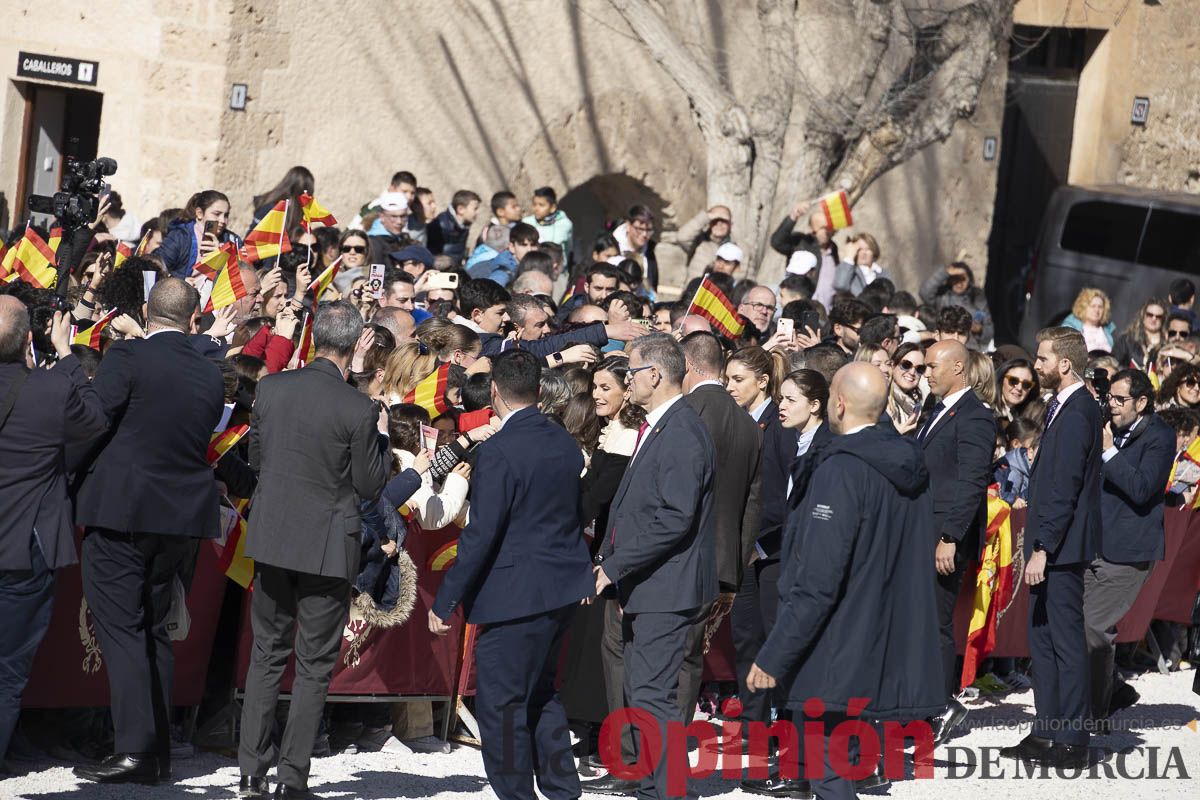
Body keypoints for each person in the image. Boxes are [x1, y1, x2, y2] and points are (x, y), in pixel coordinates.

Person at [747, 363, 942, 800]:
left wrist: (775, 653)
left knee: (831, 777)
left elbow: (818, 577)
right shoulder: (907, 462)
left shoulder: (841, 470)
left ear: (838, 402)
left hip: (835, 643)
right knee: (837, 768)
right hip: (877, 638)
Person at [71, 279, 225, 785]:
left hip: (124, 510)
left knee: (122, 629)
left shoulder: (128, 357)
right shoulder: (208, 372)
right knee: (154, 630)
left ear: (144, 311)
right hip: (177, 519)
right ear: (194, 319)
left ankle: (134, 749)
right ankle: (155, 751)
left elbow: (92, 418)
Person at [238, 302, 391, 799]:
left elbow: (257, 457)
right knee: (313, 665)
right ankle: (291, 777)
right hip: (326, 543)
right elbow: (370, 484)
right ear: (353, 348)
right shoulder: (358, 406)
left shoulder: (272, 387)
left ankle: (251, 769)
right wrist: (382, 441)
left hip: (276, 534)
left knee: (266, 654)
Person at [429, 350, 593, 800]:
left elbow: (481, 535)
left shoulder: (499, 450)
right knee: (542, 693)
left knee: (502, 705)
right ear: (539, 391)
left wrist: (445, 601)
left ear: (495, 392)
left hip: (516, 594)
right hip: (560, 587)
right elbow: (574, 514)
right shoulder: (563, 441)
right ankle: (562, 789)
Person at [592, 334, 716, 800]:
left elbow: (675, 517)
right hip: (651, 583)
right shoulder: (662, 425)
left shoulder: (682, 429)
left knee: (652, 693)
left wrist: (616, 565)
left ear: (655, 375)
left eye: (631, 372)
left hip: (670, 585)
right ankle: (652, 781)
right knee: (643, 690)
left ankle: (669, 789)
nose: (627, 381)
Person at [0, 300, 106, 767]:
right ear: (29, 341)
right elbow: (95, 421)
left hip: (26, 544)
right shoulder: (50, 387)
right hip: (25, 547)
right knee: (7, 669)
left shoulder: (43, 388)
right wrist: (65, 354)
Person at [999, 327, 1101, 770]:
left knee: (1064, 642)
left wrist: (1043, 547)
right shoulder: (1062, 406)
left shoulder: (1079, 410)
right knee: (1041, 640)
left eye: (1042, 359)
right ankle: (1046, 730)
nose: (1035, 366)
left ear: (1064, 364)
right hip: (1053, 544)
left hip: (1060, 548)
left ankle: (1074, 740)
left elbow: (1064, 486)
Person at [738, 368, 831, 799]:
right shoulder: (791, 440)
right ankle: (775, 763)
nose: (782, 405)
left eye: (791, 399)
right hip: (777, 561)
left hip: (800, 567)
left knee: (794, 663)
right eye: (782, 398)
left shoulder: (827, 447)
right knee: (768, 661)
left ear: (815, 404)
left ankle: (803, 769)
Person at [1084, 369, 1175, 727]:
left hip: (1129, 551)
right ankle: (1114, 691)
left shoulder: (1160, 436)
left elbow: (1141, 488)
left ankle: (1094, 713)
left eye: (1121, 400)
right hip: (1091, 544)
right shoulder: (1108, 427)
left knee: (1094, 629)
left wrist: (1108, 453)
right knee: (1076, 625)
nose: (1113, 406)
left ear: (1142, 402)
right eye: (1111, 398)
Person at [916, 340, 996, 744]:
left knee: (936, 621)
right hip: (922, 531)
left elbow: (971, 482)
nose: (925, 372)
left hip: (944, 537)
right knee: (922, 619)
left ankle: (940, 707)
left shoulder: (976, 416)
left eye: (932, 366)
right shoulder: (936, 410)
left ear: (959, 368)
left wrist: (950, 536)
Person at [680, 333, 762, 718]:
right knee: (689, 659)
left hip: (678, 559)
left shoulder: (686, 413)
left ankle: (651, 752)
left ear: (690, 366)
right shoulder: (748, 422)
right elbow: (752, 502)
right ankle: (668, 750)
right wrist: (737, 566)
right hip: (722, 563)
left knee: (662, 662)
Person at [769, 201, 840, 309]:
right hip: (801, 306)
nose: (825, 231)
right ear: (811, 228)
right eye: (821, 227)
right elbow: (777, 242)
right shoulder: (801, 242)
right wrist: (793, 216)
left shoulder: (834, 249)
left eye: (828, 227)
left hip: (825, 311)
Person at [157, 190, 243, 278]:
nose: (222, 220)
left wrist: (221, 257)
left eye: (226, 215)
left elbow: (241, 275)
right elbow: (156, 267)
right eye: (216, 214)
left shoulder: (233, 240)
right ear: (199, 213)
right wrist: (181, 281)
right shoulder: (180, 236)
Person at [919, 262, 994, 348]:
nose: (959, 284)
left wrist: (979, 329)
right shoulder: (942, 296)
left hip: (970, 349)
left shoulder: (977, 298)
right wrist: (945, 272)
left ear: (969, 280)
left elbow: (989, 330)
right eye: (956, 279)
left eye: (963, 279)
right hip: (944, 346)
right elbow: (924, 292)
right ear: (950, 280)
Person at [660, 204, 733, 284]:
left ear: (730, 224)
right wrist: (707, 216)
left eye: (724, 221)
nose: (719, 224)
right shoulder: (699, 242)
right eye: (715, 220)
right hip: (695, 292)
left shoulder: (738, 248)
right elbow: (682, 237)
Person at [612, 205, 660, 291]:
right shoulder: (611, 247)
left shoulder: (650, 254)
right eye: (640, 229)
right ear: (628, 225)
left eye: (648, 230)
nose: (645, 234)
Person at [522, 186, 574, 263]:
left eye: (541, 205)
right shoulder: (526, 223)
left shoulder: (565, 224)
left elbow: (569, 248)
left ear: (552, 207)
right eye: (534, 204)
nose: (536, 208)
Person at [429, 189, 481, 264]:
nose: (477, 213)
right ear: (461, 209)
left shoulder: (464, 225)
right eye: (475, 209)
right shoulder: (441, 225)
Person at [1112, 299, 1166, 370]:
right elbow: (1113, 364)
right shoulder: (1126, 340)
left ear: (1163, 319)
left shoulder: (1167, 343)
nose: (1154, 319)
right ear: (1143, 316)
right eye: (1150, 315)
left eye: (1158, 317)